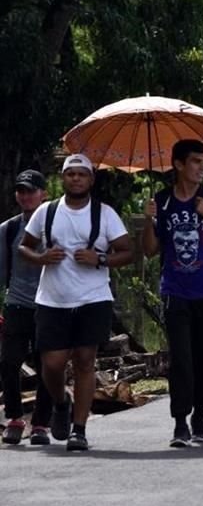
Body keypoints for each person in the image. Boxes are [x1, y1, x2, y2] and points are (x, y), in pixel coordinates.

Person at [19, 155, 133, 451]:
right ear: (63, 177)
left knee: (85, 362)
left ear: (91, 180)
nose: (76, 179)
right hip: (53, 298)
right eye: (71, 174)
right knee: (52, 364)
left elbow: (127, 251)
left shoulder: (104, 213)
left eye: (82, 174)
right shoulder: (47, 211)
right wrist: (42, 258)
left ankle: (79, 430)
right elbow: (24, 247)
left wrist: (101, 259)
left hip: (92, 298)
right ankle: (61, 402)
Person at [142, 139, 203, 447]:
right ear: (179, 165)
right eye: (195, 161)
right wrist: (148, 220)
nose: (201, 167)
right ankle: (180, 421)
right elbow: (150, 250)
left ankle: (200, 413)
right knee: (181, 358)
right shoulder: (163, 201)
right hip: (175, 290)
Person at [0, 170, 53, 446]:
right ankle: (15, 418)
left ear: (44, 193)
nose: (25, 196)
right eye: (21, 191)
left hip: (50, 305)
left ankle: (42, 423)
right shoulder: (8, 229)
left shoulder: (56, 226)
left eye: (31, 191)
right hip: (17, 304)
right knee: (9, 362)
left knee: (48, 365)